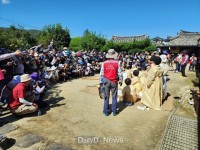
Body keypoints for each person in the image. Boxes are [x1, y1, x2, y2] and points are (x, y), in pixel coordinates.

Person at [100, 49, 123, 116]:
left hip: (106, 81)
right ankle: (114, 111)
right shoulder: (117, 62)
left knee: (106, 96)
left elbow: (101, 73)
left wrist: (101, 82)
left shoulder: (104, 63)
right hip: (114, 81)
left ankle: (106, 111)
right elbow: (120, 73)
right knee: (114, 96)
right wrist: (121, 80)